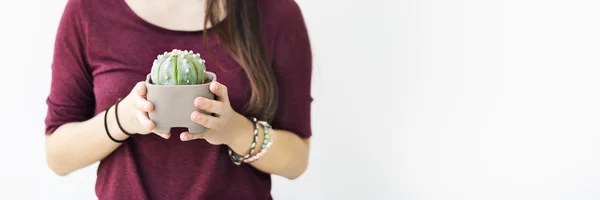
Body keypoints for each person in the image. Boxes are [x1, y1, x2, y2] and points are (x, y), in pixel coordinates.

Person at [43, 0, 313, 199]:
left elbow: (296, 160)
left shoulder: (276, 12)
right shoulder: (88, 10)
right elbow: (58, 156)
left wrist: (234, 131)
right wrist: (122, 120)